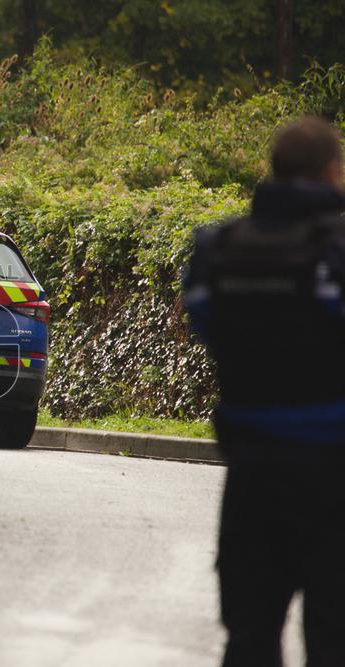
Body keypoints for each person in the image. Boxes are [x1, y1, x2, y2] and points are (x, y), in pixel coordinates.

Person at [184, 116, 345, 667]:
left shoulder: (219, 249)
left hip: (252, 473)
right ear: (332, 173)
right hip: (334, 476)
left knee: (250, 637)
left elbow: (206, 321)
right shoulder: (337, 254)